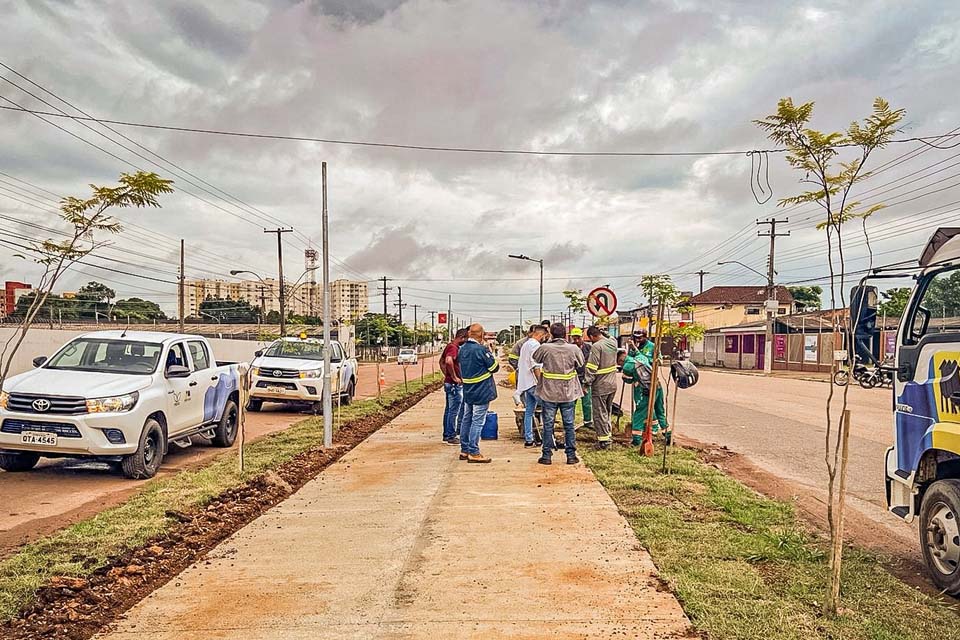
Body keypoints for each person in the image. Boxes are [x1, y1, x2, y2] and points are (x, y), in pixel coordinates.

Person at [533, 323, 585, 465]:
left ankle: (546, 456)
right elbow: (581, 364)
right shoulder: (574, 349)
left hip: (549, 393)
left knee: (548, 424)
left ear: (551, 334)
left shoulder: (545, 348)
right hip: (568, 393)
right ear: (565, 335)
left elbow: (536, 358)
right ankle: (571, 456)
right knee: (569, 424)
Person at [457, 323, 498, 463]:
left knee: (467, 419)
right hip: (482, 390)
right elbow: (494, 367)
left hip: (468, 390)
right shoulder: (481, 350)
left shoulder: (462, 349)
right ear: (481, 334)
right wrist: (489, 351)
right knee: (477, 421)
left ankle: (464, 450)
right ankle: (474, 452)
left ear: (469, 334)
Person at [621, 336, 668, 447]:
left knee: (639, 413)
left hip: (645, 389)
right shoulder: (641, 357)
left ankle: (636, 440)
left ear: (620, 360)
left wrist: (631, 377)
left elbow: (628, 380)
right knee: (660, 411)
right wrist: (634, 347)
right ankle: (668, 435)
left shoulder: (628, 366)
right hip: (657, 385)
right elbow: (638, 354)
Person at [583, 326, 619, 449]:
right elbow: (610, 336)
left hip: (601, 386)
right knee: (607, 412)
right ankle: (608, 435)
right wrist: (604, 332)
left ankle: (604, 441)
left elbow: (592, 367)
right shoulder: (613, 342)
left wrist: (586, 383)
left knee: (599, 413)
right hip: (612, 384)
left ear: (592, 336)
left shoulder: (596, 346)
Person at [515, 325, 549, 447]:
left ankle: (529, 439)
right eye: (545, 336)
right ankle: (547, 438)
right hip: (534, 383)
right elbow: (536, 367)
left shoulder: (525, 344)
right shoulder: (535, 346)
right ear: (540, 335)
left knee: (529, 412)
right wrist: (541, 383)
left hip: (525, 384)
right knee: (547, 409)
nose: (545, 338)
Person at [439, 328, 468, 445]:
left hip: (449, 383)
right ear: (461, 337)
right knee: (453, 411)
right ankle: (451, 435)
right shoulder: (454, 348)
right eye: (465, 339)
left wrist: (447, 375)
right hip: (454, 385)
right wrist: (454, 377)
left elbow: (441, 362)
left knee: (448, 410)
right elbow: (448, 361)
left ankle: (447, 434)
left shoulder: (449, 346)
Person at [570, 328, 593, 430]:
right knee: (572, 401)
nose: (576, 341)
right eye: (574, 339)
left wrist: (587, 380)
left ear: (582, 337)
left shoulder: (589, 348)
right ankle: (570, 420)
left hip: (586, 378)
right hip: (574, 378)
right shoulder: (570, 348)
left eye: (578, 338)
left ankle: (588, 421)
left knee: (587, 401)